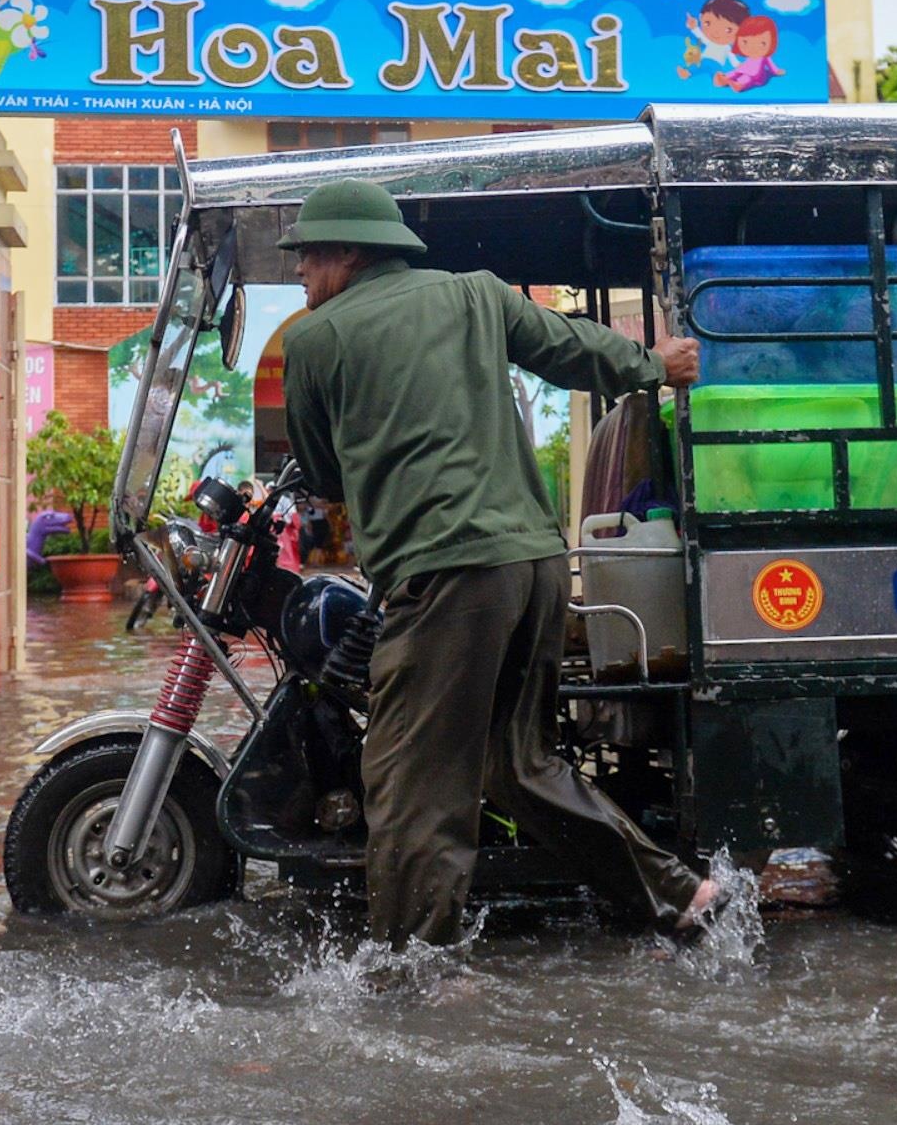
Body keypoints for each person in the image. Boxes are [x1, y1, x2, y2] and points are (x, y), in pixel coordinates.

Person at [277, 178, 722, 947]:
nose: (301, 275)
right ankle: (680, 895)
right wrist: (654, 364)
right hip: (538, 563)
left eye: (309, 259)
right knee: (519, 764)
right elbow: (569, 348)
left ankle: (415, 969)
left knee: (410, 781)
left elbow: (322, 477)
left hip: (447, 575)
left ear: (348, 253)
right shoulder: (476, 295)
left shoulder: (316, 339)